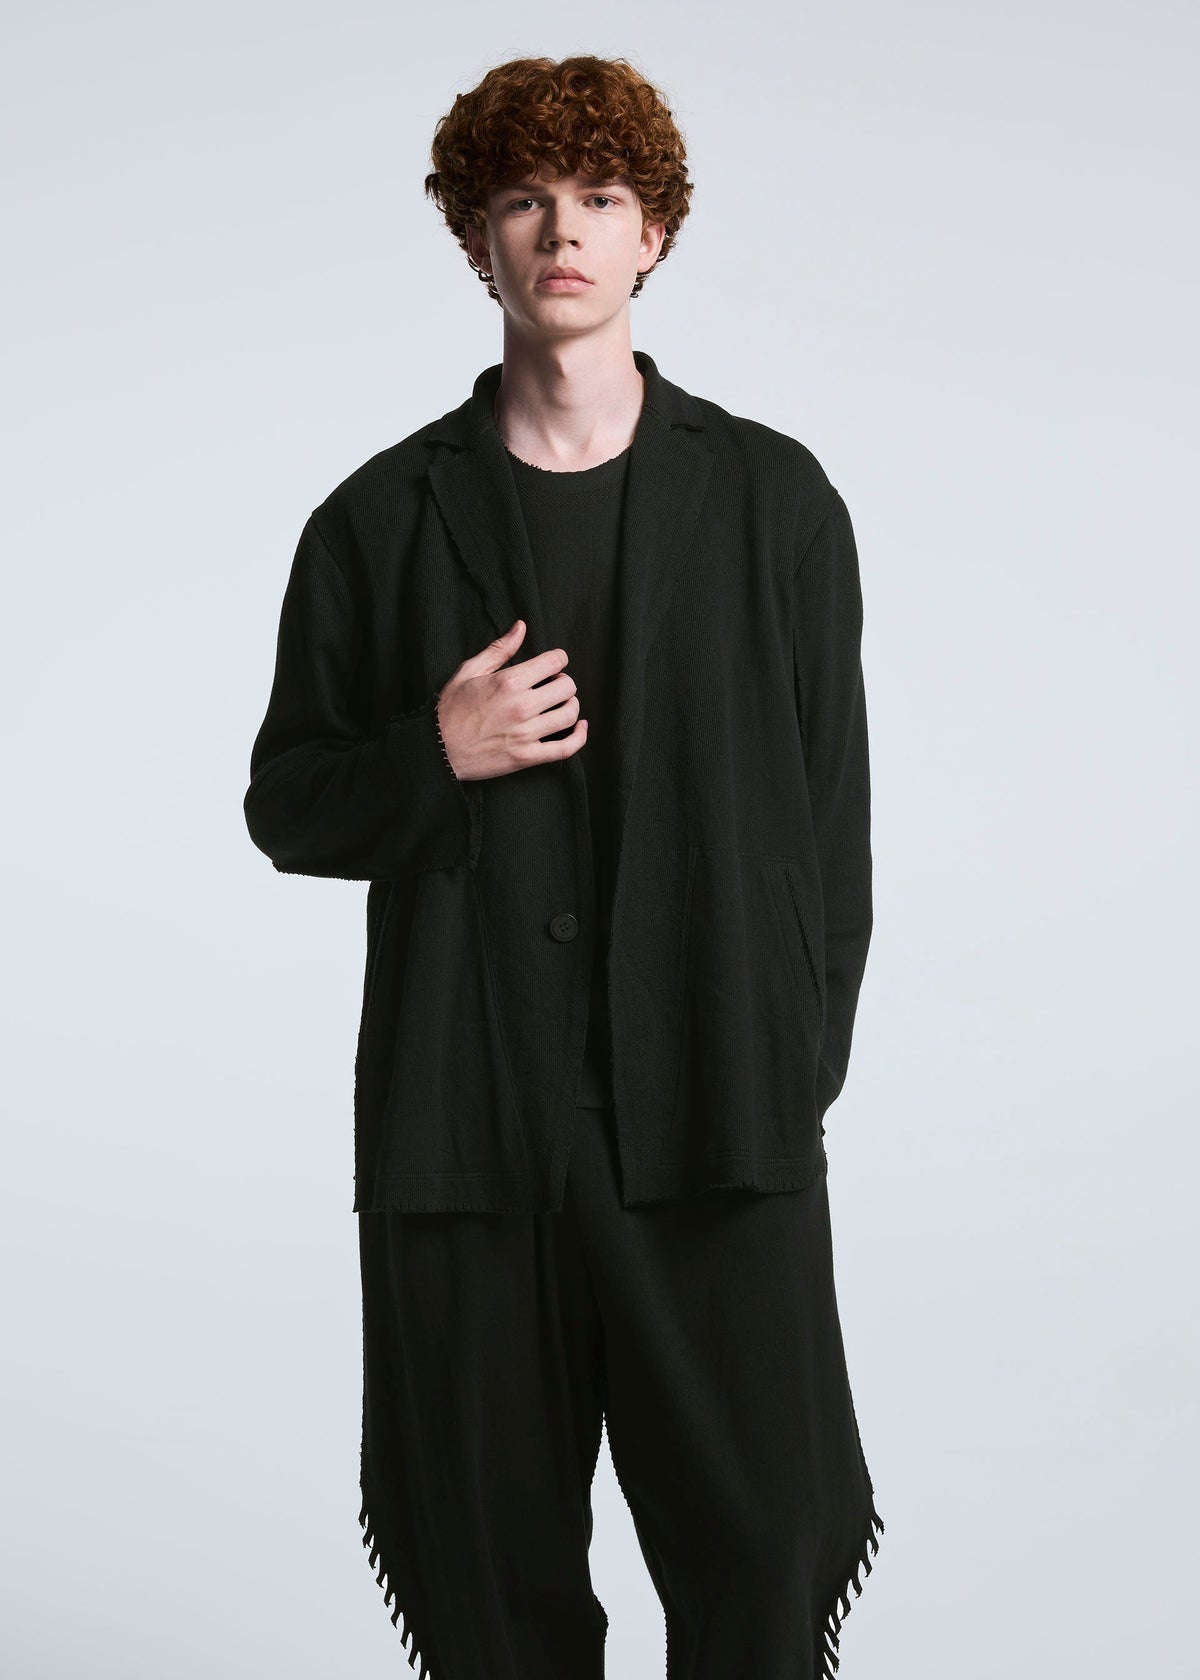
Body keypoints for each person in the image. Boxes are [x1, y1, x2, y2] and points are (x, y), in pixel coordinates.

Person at [244, 52, 884, 1680]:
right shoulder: (378, 522)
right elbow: (287, 805)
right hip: (470, 1129)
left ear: (653, 232)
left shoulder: (774, 504)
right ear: (478, 236)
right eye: (523, 199)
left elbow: (834, 831)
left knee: (762, 1566)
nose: (563, 232)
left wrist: (788, 1071)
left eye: (600, 197)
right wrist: (433, 754)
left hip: (717, 1117)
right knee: (490, 1585)